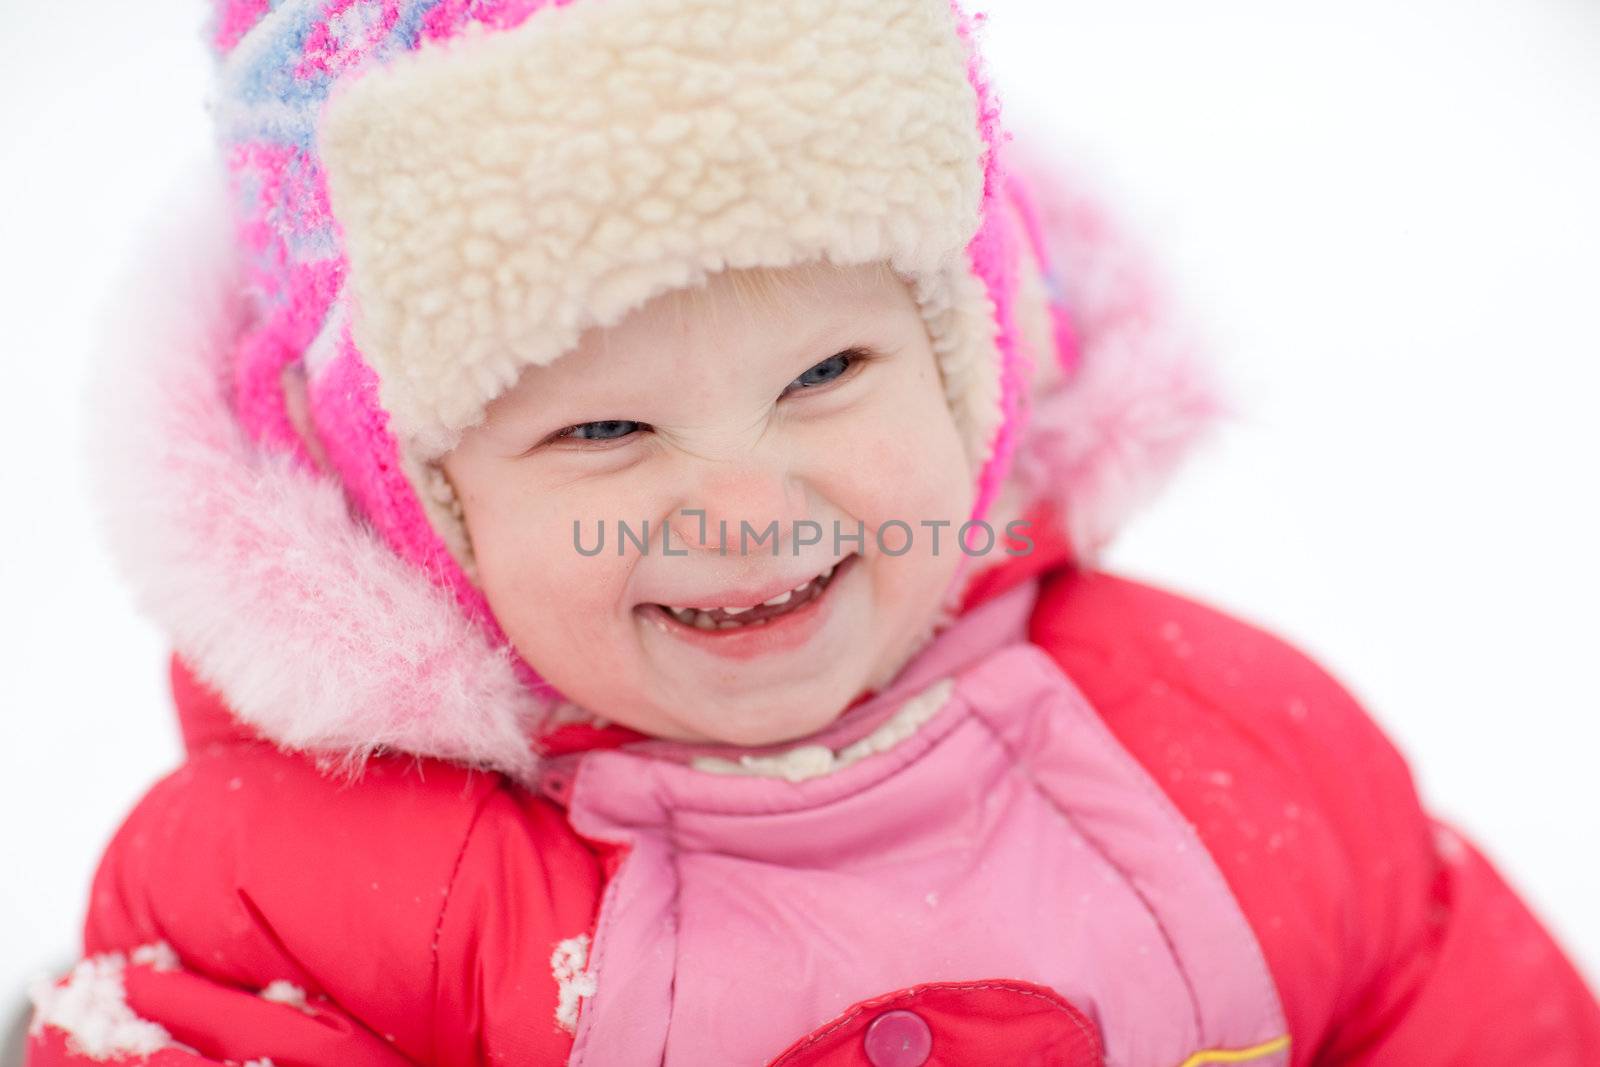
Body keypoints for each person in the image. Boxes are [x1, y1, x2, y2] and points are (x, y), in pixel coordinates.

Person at [24, 0, 1600, 1063]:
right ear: (409, 499)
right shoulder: (292, 905)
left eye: (830, 372)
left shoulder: (1223, 744)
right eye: (601, 430)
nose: (748, 507)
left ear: (972, 361)